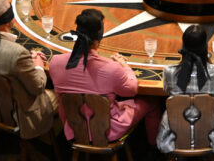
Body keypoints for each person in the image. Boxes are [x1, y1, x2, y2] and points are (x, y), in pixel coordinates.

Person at [49, 9, 160, 147]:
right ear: (99, 38)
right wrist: (124, 66)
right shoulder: (112, 68)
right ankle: (153, 148)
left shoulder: (55, 62)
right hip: (107, 130)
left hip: (73, 128)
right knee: (152, 101)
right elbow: (132, 90)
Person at [0, 0, 58, 139]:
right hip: (22, 115)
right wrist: (38, 65)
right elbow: (38, 87)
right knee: (62, 94)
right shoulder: (17, 53)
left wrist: (27, 59)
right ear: (10, 20)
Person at [157, 25, 214, 154]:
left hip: (173, 135)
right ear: (205, 46)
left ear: (183, 45)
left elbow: (167, 91)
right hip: (212, 135)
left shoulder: (169, 72)